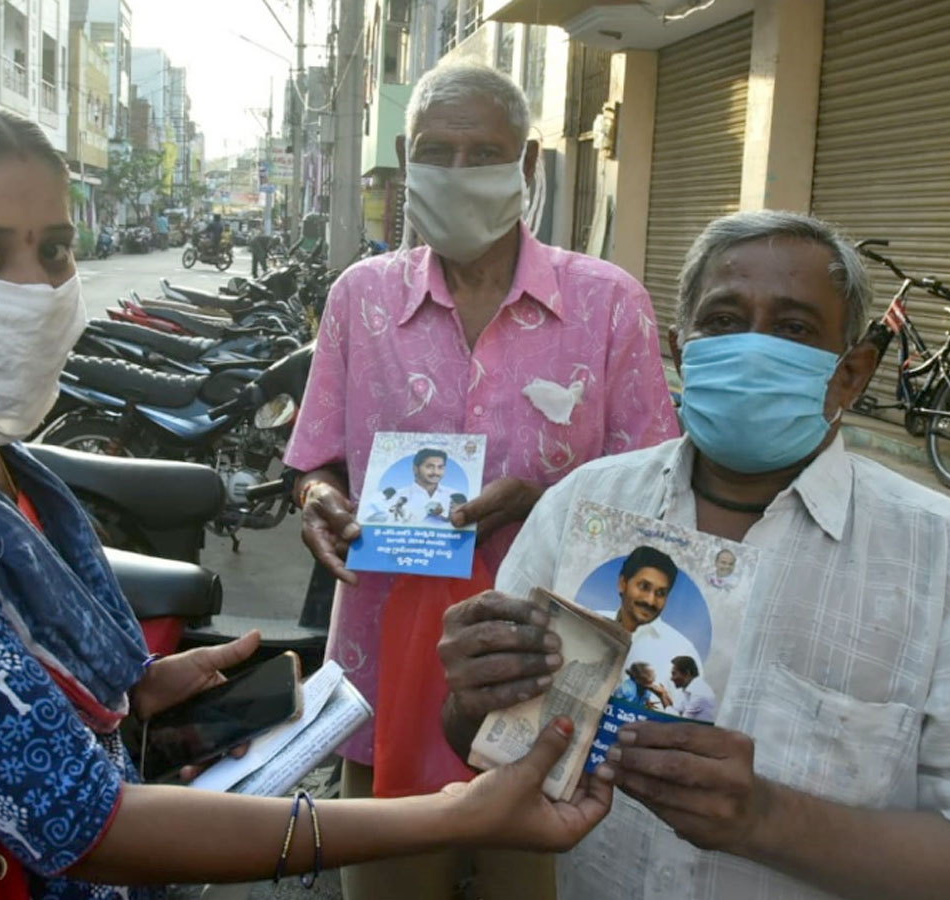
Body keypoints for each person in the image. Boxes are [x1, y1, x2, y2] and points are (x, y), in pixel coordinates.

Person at [0, 94, 618, 900]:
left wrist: (133, 694)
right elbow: (90, 824)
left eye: (53, 250)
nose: (32, 289)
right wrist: (447, 818)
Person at [438, 210, 950, 899]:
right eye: (724, 320)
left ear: (851, 375)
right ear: (681, 349)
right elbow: (482, 743)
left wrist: (765, 816)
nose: (753, 349)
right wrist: (471, 694)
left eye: (793, 329)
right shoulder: (583, 505)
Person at [284, 60, 678, 900]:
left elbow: (662, 499)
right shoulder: (360, 299)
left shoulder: (609, 304)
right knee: (391, 885)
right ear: (403, 157)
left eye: (484, 153)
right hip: (384, 666)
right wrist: (318, 500)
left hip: (553, 682)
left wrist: (545, 504)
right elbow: (315, 459)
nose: (458, 174)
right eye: (436, 151)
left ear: (528, 165)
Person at [602, 545, 701, 688]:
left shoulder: (682, 651)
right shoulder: (588, 623)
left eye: (660, 593)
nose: (650, 600)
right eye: (644, 587)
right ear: (622, 584)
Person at [392, 448, 456, 523]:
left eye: (440, 467)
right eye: (429, 467)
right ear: (415, 469)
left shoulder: (454, 496)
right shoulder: (398, 496)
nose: (436, 472)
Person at [657, 655, 716, 721]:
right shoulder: (688, 690)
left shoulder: (699, 694)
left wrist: (662, 696)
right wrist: (664, 694)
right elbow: (676, 711)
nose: (671, 678)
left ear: (687, 673)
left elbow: (680, 721)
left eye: (674, 674)